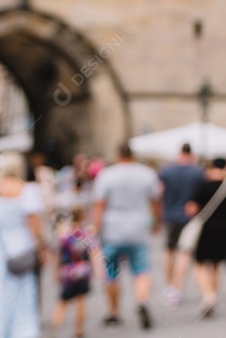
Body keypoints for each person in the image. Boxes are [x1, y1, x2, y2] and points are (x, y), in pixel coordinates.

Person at [92, 142, 162, 330]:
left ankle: (114, 312)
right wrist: (156, 222)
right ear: (133, 154)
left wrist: (95, 229)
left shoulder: (107, 175)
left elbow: (100, 205)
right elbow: (155, 202)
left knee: (112, 273)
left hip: (113, 229)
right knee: (141, 270)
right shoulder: (147, 173)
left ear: (117, 155)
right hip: (138, 228)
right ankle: (142, 301)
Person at [0, 151, 46, 338]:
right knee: (25, 298)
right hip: (22, 249)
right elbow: (34, 225)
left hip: (3, 249)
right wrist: (42, 247)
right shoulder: (27, 190)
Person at [187, 157, 226, 317]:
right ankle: (213, 295)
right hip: (225, 230)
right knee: (217, 265)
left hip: (206, 229)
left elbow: (191, 209)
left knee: (200, 264)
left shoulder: (202, 186)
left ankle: (208, 294)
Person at [159, 142, 203, 308]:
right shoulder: (198, 172)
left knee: (169, 252)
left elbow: (160, 193)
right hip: (189, 218)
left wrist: (160, 215)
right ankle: (177, 289)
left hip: (170, 216)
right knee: (183, 254)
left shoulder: (167, 171)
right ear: (191, 153)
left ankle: (170, 286)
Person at [51, 205, 96, 338]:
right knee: (81, 300)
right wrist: (97, 270)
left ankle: (55, 329)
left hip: (68, 271)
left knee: (63, 301)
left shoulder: (64, 235)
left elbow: (57, 254)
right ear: (83, 217)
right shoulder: (86, 234)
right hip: (83, 271)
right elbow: (94, 252)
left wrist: (56, 270)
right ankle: (79, 331)